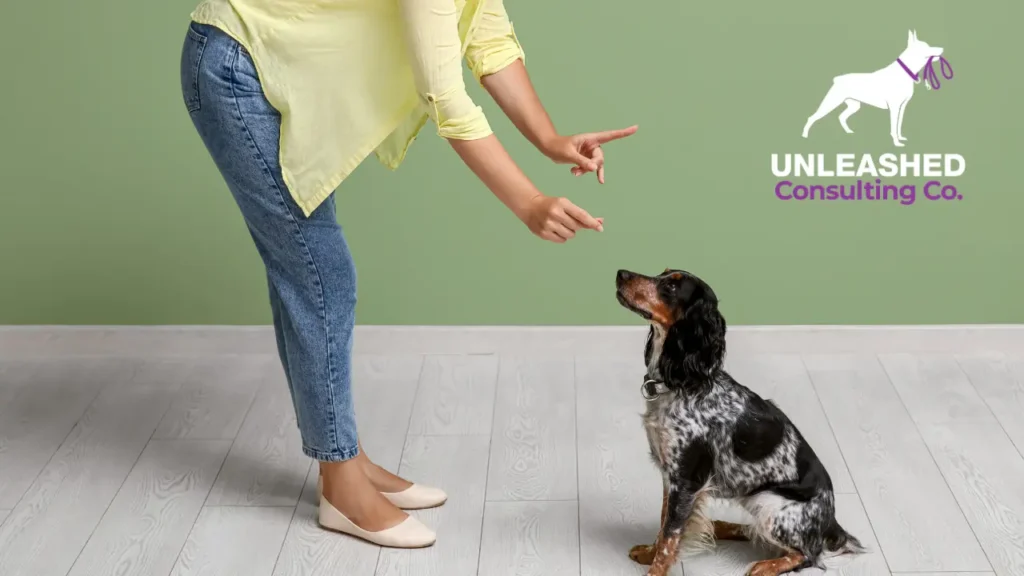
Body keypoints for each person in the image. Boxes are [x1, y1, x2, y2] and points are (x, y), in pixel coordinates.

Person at [179, 0, 637, 549]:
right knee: (320, 274)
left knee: (306, 271)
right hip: (237, 69)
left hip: (267, 60)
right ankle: (340, 484)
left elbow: (487, 36)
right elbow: (442, 92)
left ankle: (344, 457)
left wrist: (549, 138)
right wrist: (530, 201)